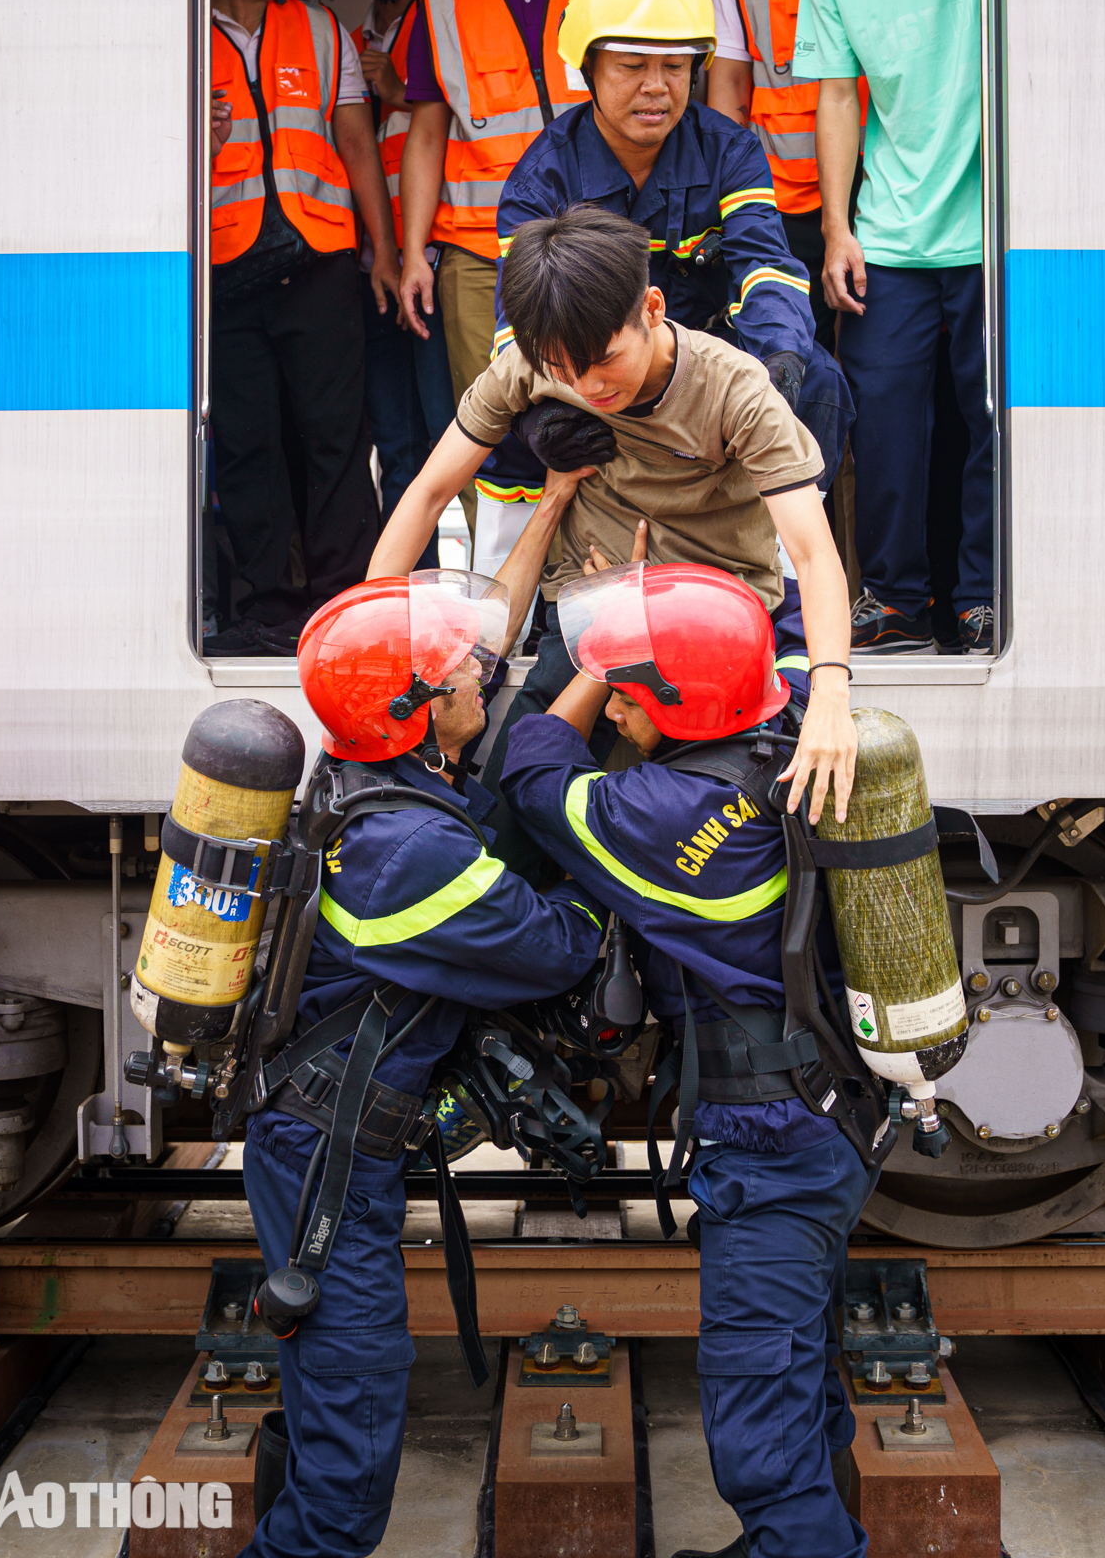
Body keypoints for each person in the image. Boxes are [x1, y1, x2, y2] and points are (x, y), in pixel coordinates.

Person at [244, 486, 608, 1558]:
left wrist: (546, 514)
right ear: (414, 709)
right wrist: (609, 869)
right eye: (457, 675)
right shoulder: (414, 857)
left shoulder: (372, 779)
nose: (477, 675)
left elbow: (491, 711)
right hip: (328, 1159)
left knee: (336, 1394)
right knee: (354, 1427)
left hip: (318, 1130)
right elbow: (557, 944)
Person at [500, 560, 867, 1558]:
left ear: (684, 702)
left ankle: (805, 1545)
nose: (616, 701)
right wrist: (641, 607)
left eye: (629, 686)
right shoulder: (788, 715)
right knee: (798, 1366)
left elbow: (531, 774)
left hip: (769, 1142)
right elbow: (781, 622)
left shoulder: (663, 817)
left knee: (759, 1420)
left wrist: (582, 666)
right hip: (825, 1112)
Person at [368, 206, 858, 866]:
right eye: (562, 371)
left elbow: (810, 552)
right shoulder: (528, 365)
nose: (588, 387)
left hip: (711, 637)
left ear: (652, 308)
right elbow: (427, 493)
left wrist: (831, 695)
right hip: (587, 615)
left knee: (684, 840)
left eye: (603, 362)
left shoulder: (733, 388)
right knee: (514, 819)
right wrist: (371, 640)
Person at [471, 0, 852, 593]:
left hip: (704, 373)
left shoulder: (729, 149)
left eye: (676, 66)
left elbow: (764, 265)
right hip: (592, 378)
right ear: (587, 68)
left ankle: (786, 585)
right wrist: (546, 412)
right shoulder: (542, 174)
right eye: (632, 66)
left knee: (818, 382)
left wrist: (779, 363)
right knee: (513, 426)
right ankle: (502, 605)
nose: (656, 86)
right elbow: (520, 327)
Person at [794, 0, 992, 654]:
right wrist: (837, 227)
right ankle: (898, 601)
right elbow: (838, 96)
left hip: (1003, 230)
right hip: (894, 232)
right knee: (884, 431)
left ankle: (985, 592)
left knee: (997, 420)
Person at [206, 0, 396, 656]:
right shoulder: (172, 36)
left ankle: (341, 604)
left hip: (321, 263)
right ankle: (265, 608)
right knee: (247, 442)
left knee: (335, 440)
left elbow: (357, 144)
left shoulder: (321, 29)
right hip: (224, 272)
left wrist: (382, 251)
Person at [393, 0, 592, 537]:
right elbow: (426, 136)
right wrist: (415, 252)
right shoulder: (437, 7)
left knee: (596, 414)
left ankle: (586, 588)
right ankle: (497, 594)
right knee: (488, 426)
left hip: (589, 249)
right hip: (479, 258)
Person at [707, 0, 872, 587]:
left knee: (879, 404)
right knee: (793, 396)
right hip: (779, 219)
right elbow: (728, 95)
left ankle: (874, 583)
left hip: (888, 212)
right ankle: (800, 581)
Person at [331, 0, 454, 561]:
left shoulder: (442, 20)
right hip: (366, 265)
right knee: (395, 439)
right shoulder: (337, 39)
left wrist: (402, 88)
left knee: (450, 433)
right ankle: (413, 597)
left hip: (437, 257)